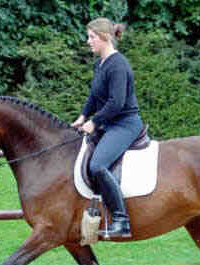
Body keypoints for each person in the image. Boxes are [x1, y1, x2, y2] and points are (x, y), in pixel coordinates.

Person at [72, 17, 143, 238]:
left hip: (125, 124)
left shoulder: (118, 65)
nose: (88, 41)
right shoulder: (100, 64)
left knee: (98, 165)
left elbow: (116, 102)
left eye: (92, 37)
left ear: (104, 38)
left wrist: (95, 122)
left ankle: (122, 220)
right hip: (109, 123)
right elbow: (95, 95)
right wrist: (83, 116)